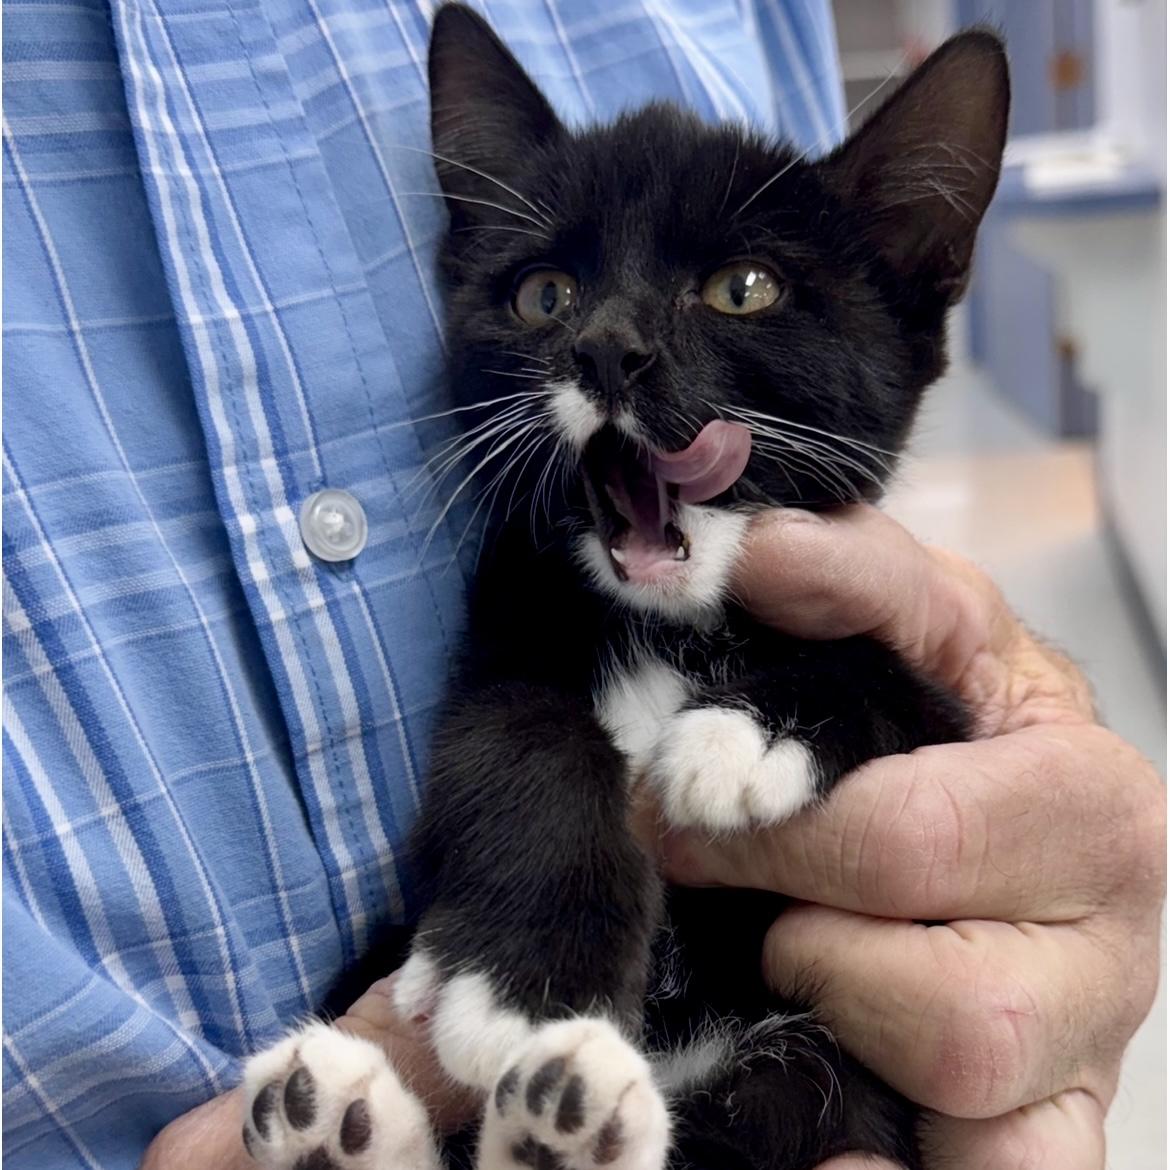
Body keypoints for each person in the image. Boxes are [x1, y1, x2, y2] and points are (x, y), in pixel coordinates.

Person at [3, 2, 1161, 1169]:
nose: (604, 338)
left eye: (742, 289)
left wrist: (1018, 782)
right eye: (550, 296)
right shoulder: (531, 616)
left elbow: (956, 720)